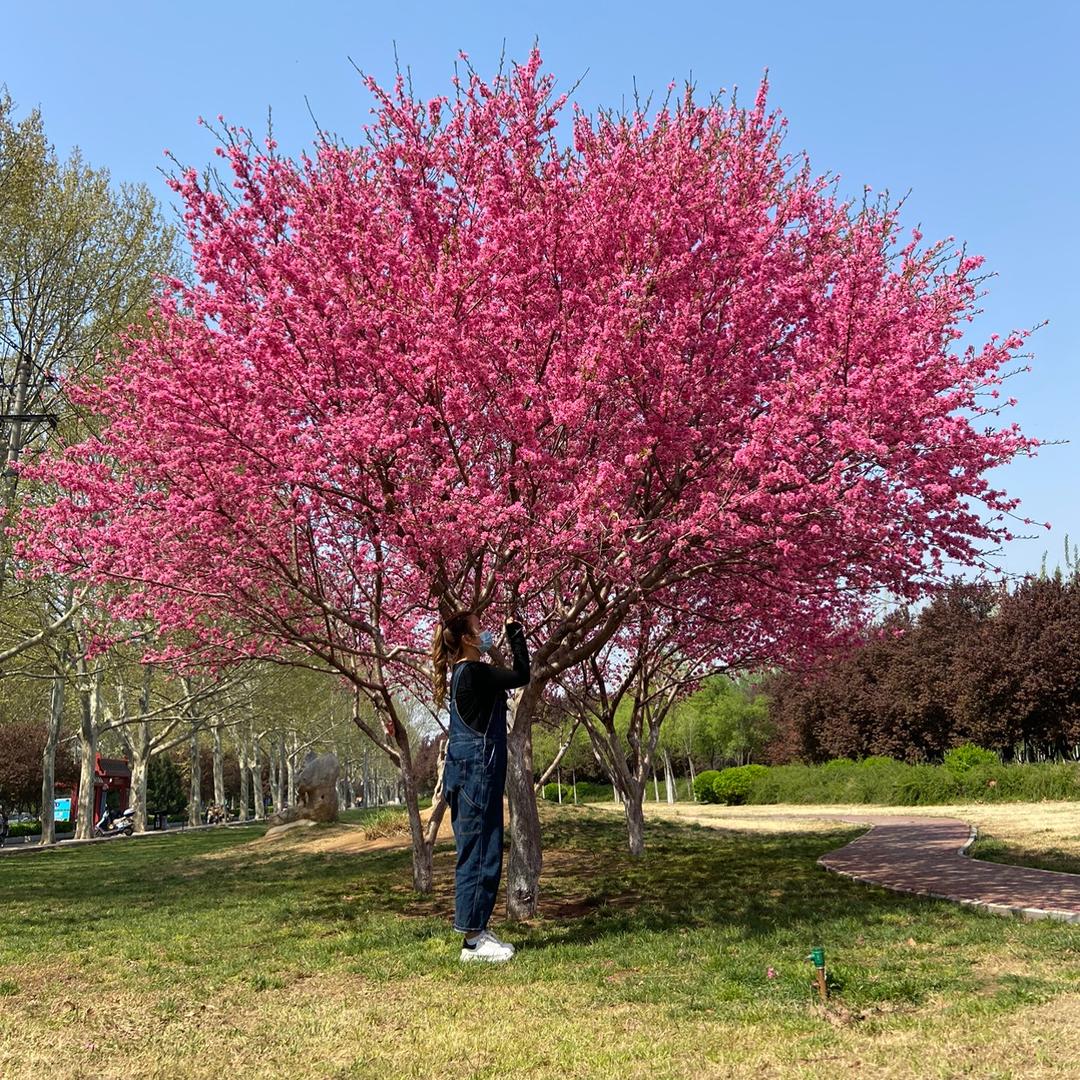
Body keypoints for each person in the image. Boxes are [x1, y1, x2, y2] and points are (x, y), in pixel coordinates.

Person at [432, 609, 530, 963]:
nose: (486, 632)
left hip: (470, 772)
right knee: (479, 853)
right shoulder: (474, 672)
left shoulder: (464, 674)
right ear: (468, 639)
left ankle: (477, 931)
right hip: (477, 773)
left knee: (479, 850)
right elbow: (521, 674)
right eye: (479, 628)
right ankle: (473, 942)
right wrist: (515, 634)